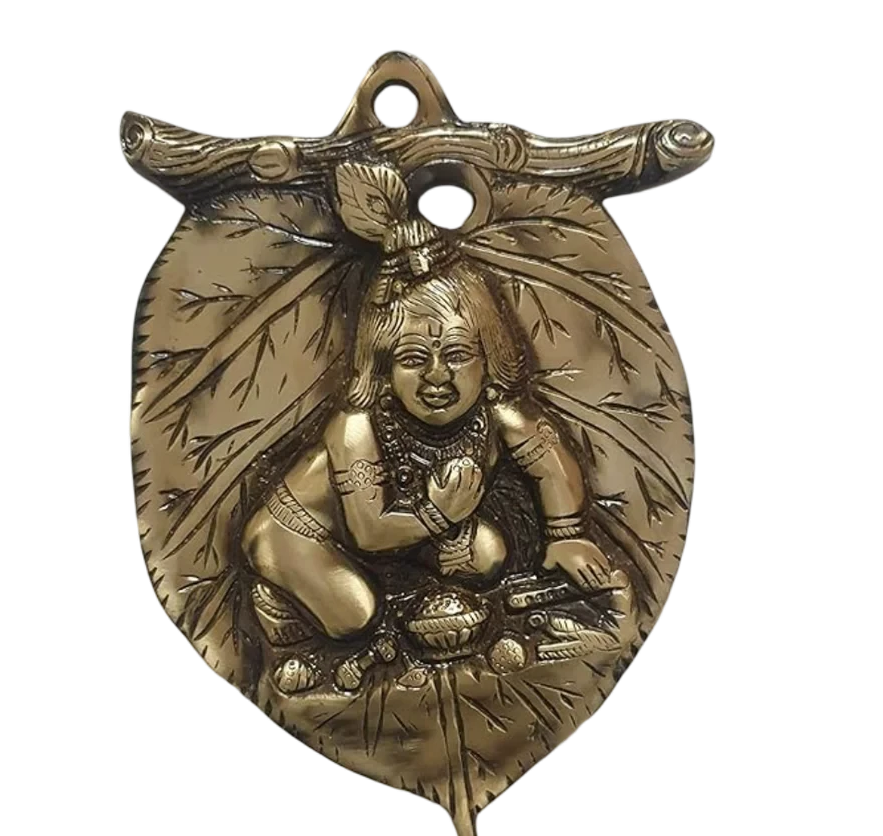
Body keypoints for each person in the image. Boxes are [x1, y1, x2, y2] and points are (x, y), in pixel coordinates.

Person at [242, 163, 619, 643]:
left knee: (485, 554)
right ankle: (283, 606)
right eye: (413, 358)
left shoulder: (497, 414)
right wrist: (440, 516)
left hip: (415, 523)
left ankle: (414, 592)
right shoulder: (356, 428)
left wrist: (567, 536)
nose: (437, 376)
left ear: (489, 356)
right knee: (356, 616)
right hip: (301, 534)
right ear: (382, 368)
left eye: (457, 354)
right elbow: (369, 532)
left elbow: (551, 465)